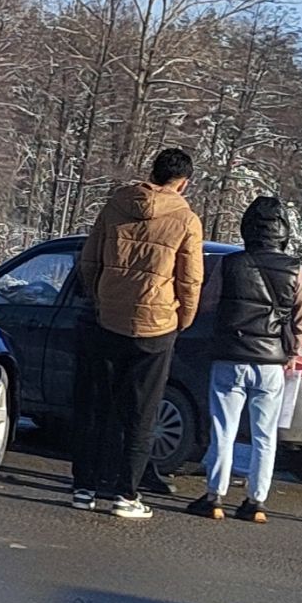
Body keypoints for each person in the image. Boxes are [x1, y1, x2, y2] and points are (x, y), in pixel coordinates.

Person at [71, 146, 205, 519]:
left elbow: (89, 260)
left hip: (109, 318)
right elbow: (190, 280)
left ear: (153, 172)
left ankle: (84, 487)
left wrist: (101, 297)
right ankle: (125, 494)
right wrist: (183, 318)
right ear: (183, 183)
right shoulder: (186, 219)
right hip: (157, 325)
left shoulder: (116, 205)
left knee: (98, 406)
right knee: (142, 413)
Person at [190, 195, 302, 524]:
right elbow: (301, 320)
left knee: (223, 430)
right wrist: (292, 353)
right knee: (264, 436)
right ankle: (256, 501)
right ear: (283, 231)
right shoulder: (295, 269)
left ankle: (214, 496)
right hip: (271, 362)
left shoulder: (231, 264)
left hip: (230, 356)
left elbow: (207, 303)